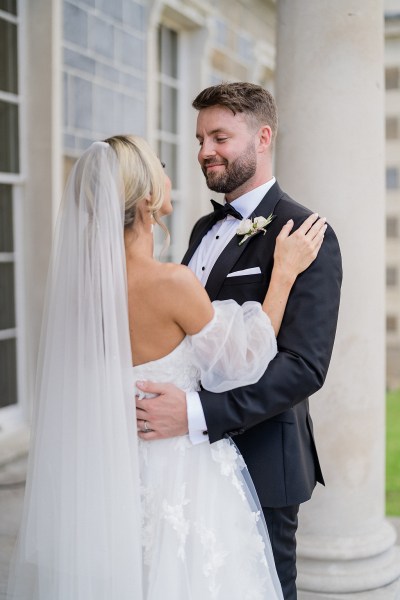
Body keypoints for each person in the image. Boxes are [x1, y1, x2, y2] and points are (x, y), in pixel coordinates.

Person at [7, 135, 325, 600]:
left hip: (109, 465)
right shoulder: (170, 282)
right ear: (147, 198)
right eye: (159, 165)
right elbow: (245, 360)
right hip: (180, 471)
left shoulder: (79, 292)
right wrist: (282, 276)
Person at [135, 82, 343, 599]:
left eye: (220, 136)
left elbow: (302, 367)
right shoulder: (204, 227)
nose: (205, 151)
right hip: (184, 466)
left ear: (263, 137)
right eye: (201, 137)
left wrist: (196, 413)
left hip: (261, 458)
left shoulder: (306, 231)